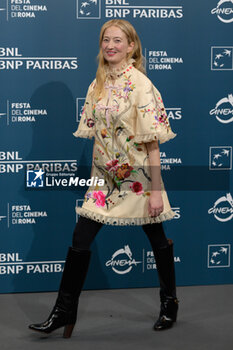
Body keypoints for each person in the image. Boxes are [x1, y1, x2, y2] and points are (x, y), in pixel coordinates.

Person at [28, 19, 179, 338]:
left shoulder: (141, 85)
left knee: (156, 239)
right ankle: (63, 311)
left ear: (131, 46)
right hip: (102, 182)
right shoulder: (96, 84)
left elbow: (152, 143)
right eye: (105, 40)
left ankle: (169, 304)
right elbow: (97, 136)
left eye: (117, 40)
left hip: (138, 180)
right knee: (80, 239)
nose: (110, 45)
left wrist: (155, 191)